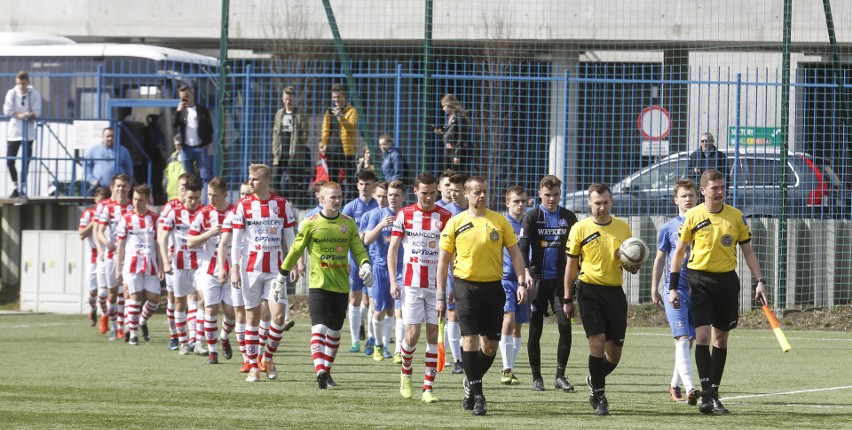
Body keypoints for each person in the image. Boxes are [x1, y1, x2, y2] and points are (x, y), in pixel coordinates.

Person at [668, 169, 768, 414]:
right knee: (702, 337)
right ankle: (706, 395)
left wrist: (760, 280)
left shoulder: (735, 216)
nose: (720, 191)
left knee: (720, 339)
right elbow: (679, 252)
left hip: (726, 282)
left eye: (722, 187)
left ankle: (713, 391)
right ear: (703, 191)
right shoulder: (692, 216)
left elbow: (748, 252)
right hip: (699, 280)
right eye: (714, 188)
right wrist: (672, 287)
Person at [437, 176, 528, 416]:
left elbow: (516, 254)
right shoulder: (455, 223)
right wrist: (440, 293)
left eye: (485, 191)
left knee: (490, 345)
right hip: (465, 286)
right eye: (477, 192)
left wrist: (520, 282)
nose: (482, 196)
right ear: (466, 195)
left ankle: (471, 381)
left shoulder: (499, 221)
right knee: (470, 339)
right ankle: (478, 396)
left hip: (493, 288)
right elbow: (443, 260)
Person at [278, 181, 373, 389]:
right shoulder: (310, 223)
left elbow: (358, 249)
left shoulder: (348, 223)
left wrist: (365, 265)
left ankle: (326, 372)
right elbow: (295, 249)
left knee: (335, 333)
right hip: (318, 285)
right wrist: (281, 275)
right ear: (322, 199)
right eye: (333, 197)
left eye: (340, 196)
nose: (338, 200)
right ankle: (320, 369)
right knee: (319, 328)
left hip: (341, 287)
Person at [563, 182, 640, 416]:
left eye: (605, 202)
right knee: (597, 343)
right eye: (597, 203)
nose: (601, 207)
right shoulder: (579, 228)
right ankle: (599, 395)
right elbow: (571, 266)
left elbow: (632, 268)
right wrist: (568, 298)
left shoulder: (623, 228)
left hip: (615, 293)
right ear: (589, 203)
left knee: (613, 354)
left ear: (611, 202)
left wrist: (631, 262)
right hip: (589, 291)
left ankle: (593, 378)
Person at [228, 164, 298, 382]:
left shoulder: (281, 204)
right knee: (252, 317)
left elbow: (290, 237)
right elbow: (237, 240)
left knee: (278, 316)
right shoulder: (243, 205)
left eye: (255, 179)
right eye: (249, 179)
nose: (251, 182)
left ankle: (266, 358)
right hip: (250, 271)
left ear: (266, 181)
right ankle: (253, 367)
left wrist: (294, 264)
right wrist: (235, 268)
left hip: (276, 271)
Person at [388, 173, 453, 403]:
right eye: (423, 193)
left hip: (436, 287)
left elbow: (450, 254)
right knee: (412, 335)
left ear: (437, 191)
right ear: (415, 191)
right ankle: (406, 373)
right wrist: (394, 281)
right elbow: (393, 249)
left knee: (433, 336)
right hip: (412, 286)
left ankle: (428, 388)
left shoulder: (445, 216)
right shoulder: (404, 215)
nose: (428, 197)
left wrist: (450, 283)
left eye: (432, 193)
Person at [519, 175, 578, 392]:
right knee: (536, 329)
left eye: (555, 195)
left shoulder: (569, 217)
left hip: (562, 282)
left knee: (565, 326)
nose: (551, 199)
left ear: (560, 194)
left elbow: (577, 248)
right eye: (547, 195)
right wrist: (525, 273)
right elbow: (522, 247)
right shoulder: (532, 216)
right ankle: (537, 378)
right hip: (536, 281)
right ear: (540, 194)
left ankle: (560, 376)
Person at [651, 179, 699, 403]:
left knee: (690, 340)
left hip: (699, 288)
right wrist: (655, 287)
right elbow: (660, 259)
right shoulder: (668, 228)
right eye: (683, 196)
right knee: (681, 338)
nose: (688, 199)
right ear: (676, 200)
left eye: (691, 195)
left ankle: (674, 385)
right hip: (676, 288)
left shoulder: (703, 223)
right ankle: (690, 387)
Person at [188, 177, 236, 365]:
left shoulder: (235, 212)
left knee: (231, 313)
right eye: (209, 194)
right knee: (211, 308)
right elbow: (190, 241)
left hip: (232, 271)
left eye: (214, 195)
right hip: (209, 270)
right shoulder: (204, 214)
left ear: (225, 195)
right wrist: (209, 233)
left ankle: (223, 337)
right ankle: (212, 352)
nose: (210, 198)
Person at [159, 175, 203, 355]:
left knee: (199, 300)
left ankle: (196, 340)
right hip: (178, 263)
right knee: (179, 302)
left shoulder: (204, 212)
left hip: (200, 263)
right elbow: (161, 237)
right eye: (190, 197)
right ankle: (182, 342)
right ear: (184, 195)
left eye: (196, 198)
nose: (192, 201)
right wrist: (165, 261)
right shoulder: (174, 212)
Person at [362, 180, 405, 362]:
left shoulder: (407, 215)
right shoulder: (377, 215)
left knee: (398, 312)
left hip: (402, 269)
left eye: (395, 195)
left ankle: (395, 351)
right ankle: (379, 345)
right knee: (379, 311)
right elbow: (366, 240)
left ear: (403, 197)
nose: (392, 198)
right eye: (389, 195)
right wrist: (381, 225)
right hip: (380, 268)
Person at [115, 184, 163, 346]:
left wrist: (162, 266)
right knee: (135, 297)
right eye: (134, 199)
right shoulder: (126, 218)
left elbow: (159, 244)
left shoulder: (155, 218)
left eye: (140, 200)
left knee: (154, 298)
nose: (136, 203)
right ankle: (133, 334)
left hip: (150, 264)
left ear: (147, 200)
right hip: (132, 264)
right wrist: (118, 268)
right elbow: (120, 244)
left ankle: (141, 321)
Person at [498, 186, 532, 386]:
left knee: (517, 328)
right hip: (504, 279)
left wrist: (528, 273)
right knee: (508, 320)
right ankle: (506, 368)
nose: (520, 205)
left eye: (523, 201)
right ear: (507, 203)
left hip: (522, 280)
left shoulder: (529, 224)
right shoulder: (502, 223)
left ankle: (511, 366)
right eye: (516, 201)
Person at [341, 170, 378, 352]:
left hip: (375, 259)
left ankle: (372, 337)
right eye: (361, 184)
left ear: (374, 186)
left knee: (372, 301)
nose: (364, 187)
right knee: (354, 300)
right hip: (355, 259)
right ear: (357, 186)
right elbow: (343, 234)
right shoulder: (349, 208)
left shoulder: (377, 207)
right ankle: (355, 340)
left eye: (368, 184)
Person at [93, 174, 134, 340]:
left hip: (129, 256)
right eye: (118, 186)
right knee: (109, 293)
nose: (121, 189)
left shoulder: (133, 206)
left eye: (124, 186)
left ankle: (120, 327)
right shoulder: (105, 207)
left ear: (129, 187)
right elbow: (98, 231)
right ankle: (108, 318)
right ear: (112, 188)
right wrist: (104, 245)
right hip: (109, 255)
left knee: (125, 292)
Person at [3, 70, 42, 198]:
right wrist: (18, 115)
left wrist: (26, 115)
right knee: (10, 161)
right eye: (19, 83)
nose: (21, 86)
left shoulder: (33, 94)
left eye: (23, 83)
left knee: (25, 161)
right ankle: (16, 186)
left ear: (28, 82)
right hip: (14, 132)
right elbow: (7, 110)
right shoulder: (12, 93)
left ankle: (23, 187)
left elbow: (37, 112)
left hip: (28, 133)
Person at [272, 86, 311, 208]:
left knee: (294, 178)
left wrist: (299, 143)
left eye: (290, 99)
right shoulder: (279, 113)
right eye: (285, 99)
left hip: (295, 151)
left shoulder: (300, 113)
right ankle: (280, 201)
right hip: (281, 149)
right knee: (277, 178)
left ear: (294, 99)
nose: (287, 102)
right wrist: (275, 148)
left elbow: (305, 132)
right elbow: (275, 132)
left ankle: (292, 204)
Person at [172, 84, 214, 190]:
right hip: (186, 148)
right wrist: (178, 111)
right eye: (182, 97)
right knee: (189, 178)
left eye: (187, 95)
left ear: (192, 94)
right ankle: (192, 200)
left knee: (206, 176)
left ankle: (206, 201)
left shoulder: (201, 109)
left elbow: (209, 127)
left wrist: (207, 142)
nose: (185, 98)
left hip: (201, 147)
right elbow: (174, 124)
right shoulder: (182, 111)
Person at [79, 186, 110, 326]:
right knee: (92, 292)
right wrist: (95, 222)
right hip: (93, 255)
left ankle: (106, 316)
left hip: (109, 254)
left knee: (108, 290)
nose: (102, 205)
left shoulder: (113, 212)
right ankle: (92, 308)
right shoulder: (88, 214)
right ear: (95, 200)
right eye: (100, 201)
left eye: (104, 201)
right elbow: (81, 234)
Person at [321, 84, 358, 191]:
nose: (336, 100)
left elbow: (351, 126)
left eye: (339, 97)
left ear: (344, 96)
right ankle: (333, 203)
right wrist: (323, 144)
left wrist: (341, 117)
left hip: (347, 151)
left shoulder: (352, 111)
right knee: (332, 180)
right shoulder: (329, 111)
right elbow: (325, 129)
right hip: (332, 150)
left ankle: (350, 204)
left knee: (351, 180)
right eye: (334, 97)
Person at [84, 127, 134, 192]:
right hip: (100, 188)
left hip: (118, 189)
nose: (110, 138)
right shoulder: (93, 150)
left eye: (112, 136)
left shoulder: (123, 150)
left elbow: (129, 168)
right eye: (107, 136)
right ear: (102, 136)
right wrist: (92, 180)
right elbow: (86, 167)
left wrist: (128, 182)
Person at [434, 94, 471, 171]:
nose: (443, 109)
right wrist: (441, 133)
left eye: (444, 106)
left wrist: (457, 155)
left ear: (450, 104)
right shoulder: (450, 117)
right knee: (447, 174)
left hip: (455, 151)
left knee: (457, 175)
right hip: (448, 150)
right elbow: (451, 134)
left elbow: (461, 136)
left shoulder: (460, 117)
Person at [163, 135, 187, 201]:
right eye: (175, 145)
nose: (177, 147)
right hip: (171, 196)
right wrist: (165, 185)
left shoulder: (190, 159)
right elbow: (166, 173)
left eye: (179, 145)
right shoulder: (171, 158)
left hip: (184, 196)